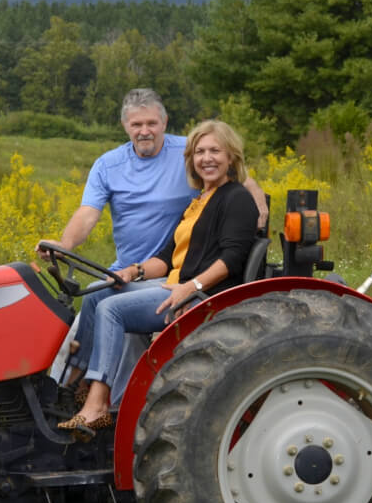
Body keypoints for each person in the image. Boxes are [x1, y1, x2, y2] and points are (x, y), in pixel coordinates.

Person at [57, 120, 258, 433]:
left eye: (215, 151)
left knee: (112, 309)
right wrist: (132, 271)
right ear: (191, 159)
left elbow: (231, 259)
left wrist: (190, 287)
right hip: (175, 283)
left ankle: (98, 405)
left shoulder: (236, 199)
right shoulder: (199, 201)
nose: (207, 158)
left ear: (231, 157)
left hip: (202, 295)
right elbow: (165, 258)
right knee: (98, 293)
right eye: (200, 152)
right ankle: (75, 385)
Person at [39, 88, 266, 271]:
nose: (144, 131)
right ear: (125, 126)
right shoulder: (107, 165)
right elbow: (88, 213)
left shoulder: (190, 151)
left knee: (106, 308)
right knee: (84, 312)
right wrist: (65, 246)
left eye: (152, 123)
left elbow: (232, 170)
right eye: (136, 125)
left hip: (173, 268)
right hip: (126, 270)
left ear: (164, 123)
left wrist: (258, 203)